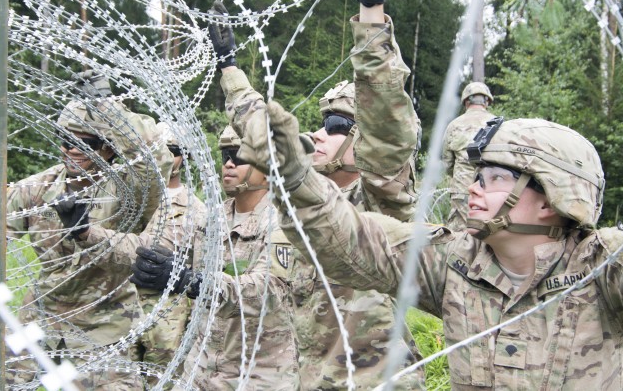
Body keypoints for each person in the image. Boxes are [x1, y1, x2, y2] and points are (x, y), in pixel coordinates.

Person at [236, 100, 622, 390]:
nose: (473, 188)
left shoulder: (602, 268)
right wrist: (294, 173)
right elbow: (350, 240)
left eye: (495, 177)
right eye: (477, 175)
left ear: (550, 197)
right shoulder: (454, 264)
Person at [221, 0, 424, 386]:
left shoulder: (379, 204)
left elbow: (385, 117)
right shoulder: (299, 208)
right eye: (321, 124)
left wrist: (371, 10)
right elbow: (265, 134)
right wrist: (230, 69)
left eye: (335, 127)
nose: (319, 133)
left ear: (362, 140)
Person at [6, 73, 173, 389]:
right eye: (65, 140)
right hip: (42, 313)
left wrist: (108, 108)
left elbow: (153, 161)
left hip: (104, 321)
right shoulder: (40, 189)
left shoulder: (127, 193)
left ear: (109, 149)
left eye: (86, 143)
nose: (71, 150)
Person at [131, 125, 300, 390]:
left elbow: (270, 290)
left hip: (257, 374)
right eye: (225, 157)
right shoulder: (211, 218)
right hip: (201, 369)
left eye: (240, 156)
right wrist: (86, 234)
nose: (229, 164)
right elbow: (153, 249)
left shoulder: (285, 222)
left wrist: (194, 282)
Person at [63, 121, 206, 387]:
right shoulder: (122, 195)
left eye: (172, 150)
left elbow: (196, 272)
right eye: (160, 149)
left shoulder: (195, 210)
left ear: (183, 158)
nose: (165, 157)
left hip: (164, 328)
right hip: (114, 316)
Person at [442, 81, 496, 231]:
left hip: (462, 189)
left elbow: (447, 163)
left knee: (460, 235)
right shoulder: (496, 124)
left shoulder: (454, 125)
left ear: (466, 101)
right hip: (490, 188)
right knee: (488, 232)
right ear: (487, 101)